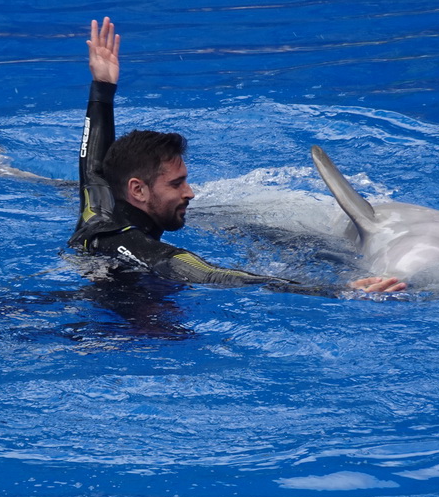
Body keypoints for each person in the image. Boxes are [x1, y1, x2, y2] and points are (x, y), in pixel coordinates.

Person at [68, 17, 406, 297]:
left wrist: (102, 87)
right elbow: (214, 275)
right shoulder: (138, 247)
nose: (190, 192)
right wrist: (335, 290)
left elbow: (93, 164)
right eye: (177, 183)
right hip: (118, 338)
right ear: (138, 190)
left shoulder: (97, 211)